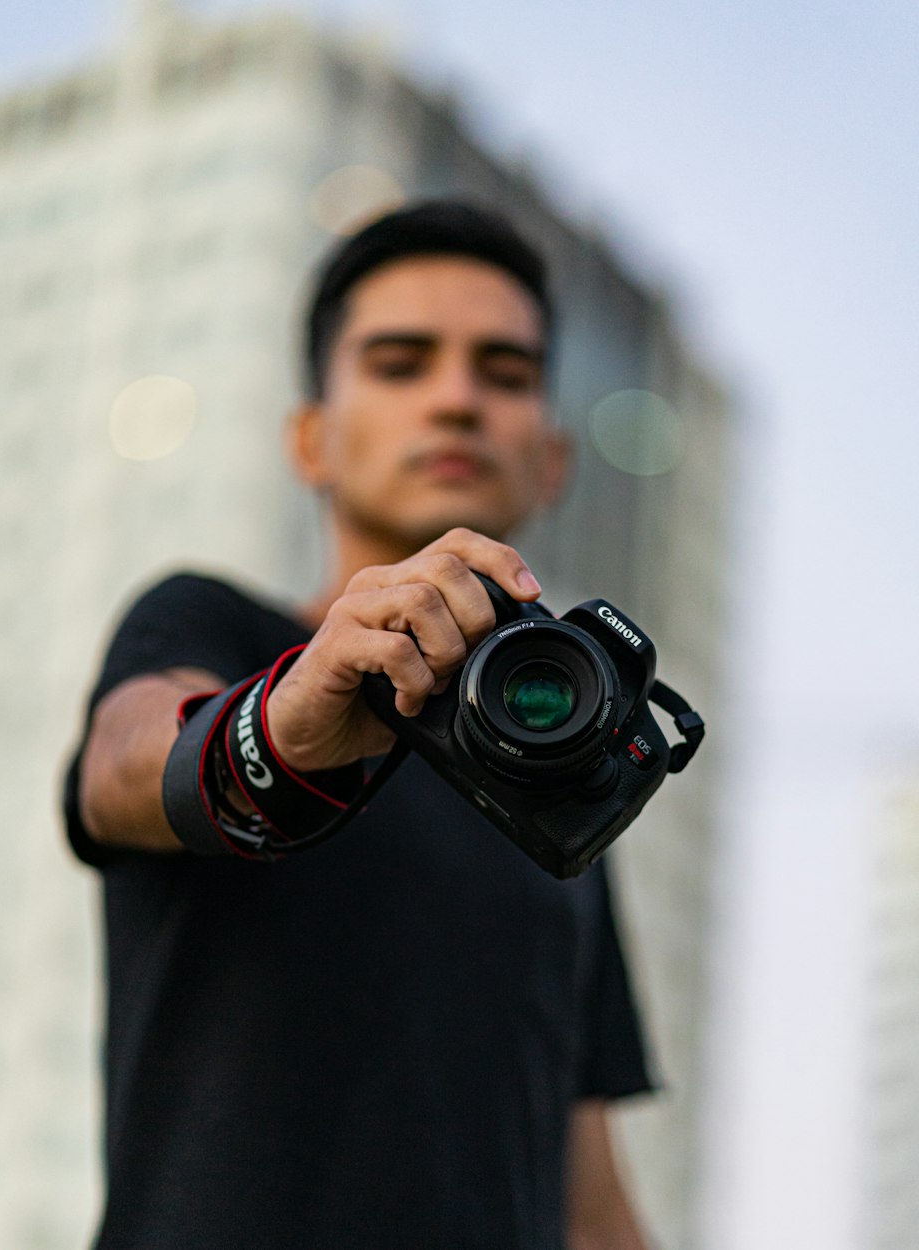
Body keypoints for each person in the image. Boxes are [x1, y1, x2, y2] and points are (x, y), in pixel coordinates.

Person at [64, 200, 656, 1250]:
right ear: (310, 438)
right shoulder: (207, 623)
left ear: (552, 459)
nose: (458, 398)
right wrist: (280, 732)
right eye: (400, 361)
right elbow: (121, 764)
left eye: (505, 373)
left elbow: (589, 1199)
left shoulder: (566, 768)